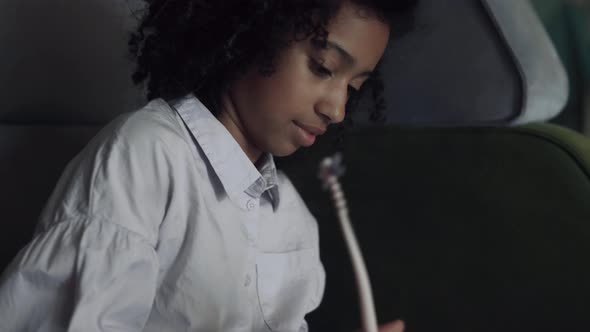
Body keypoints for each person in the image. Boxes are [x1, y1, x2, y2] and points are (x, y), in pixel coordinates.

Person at [0, 0, 416, 331]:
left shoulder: (294, 221)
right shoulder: (146, 157)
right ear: (253, 30)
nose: (338, 108)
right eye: (323, 67)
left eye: (355, 87)